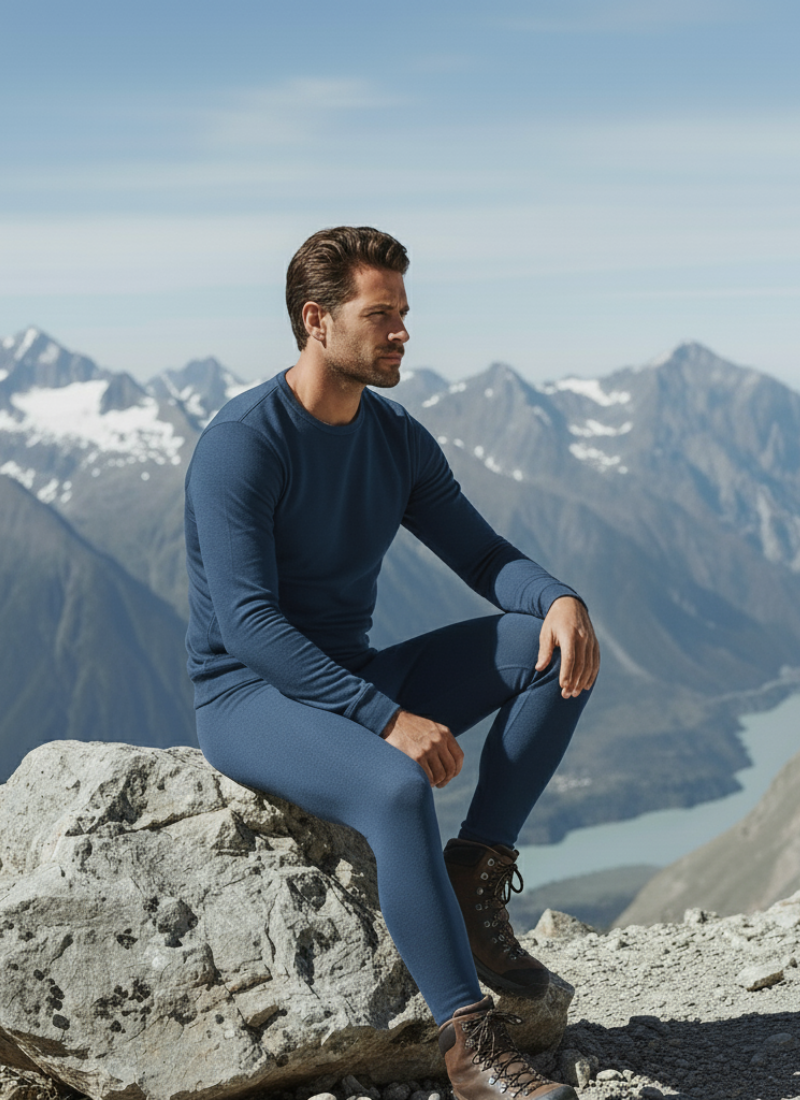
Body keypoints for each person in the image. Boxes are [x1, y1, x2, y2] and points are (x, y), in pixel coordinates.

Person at [184, 226, 600, 1100]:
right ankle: (469, 1048)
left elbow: (486, 560)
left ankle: (472, 873)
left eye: (405, 313)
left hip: (352, 674)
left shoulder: (395, 438)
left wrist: (559, 596)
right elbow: (250, 625)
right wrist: (385, 721)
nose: (403, 331)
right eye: (382, 314)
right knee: (397, 786)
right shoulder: (242, 444)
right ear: (316, 320)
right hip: (249, 697)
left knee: (546, 647)